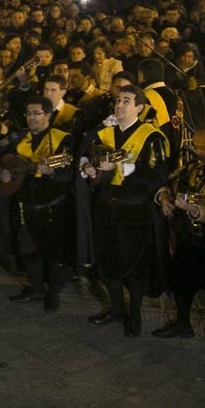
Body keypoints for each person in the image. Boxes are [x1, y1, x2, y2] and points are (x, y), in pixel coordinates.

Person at [81, 84, 168, 337]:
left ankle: (135, 313)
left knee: (134, 264)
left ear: (139, 108)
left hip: (134, 209)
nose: (119, 105)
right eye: (118, 100)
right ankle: (116, 308)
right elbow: (86, 154)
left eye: (126, 101)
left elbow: (157, 175)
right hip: (105, 207)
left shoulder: (150, 136)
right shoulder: (105, 131)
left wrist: (124, 169)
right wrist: (89, 168)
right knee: (108, 261)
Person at [151, 124, 205, 362]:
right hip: (188, 239)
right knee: (181, 282)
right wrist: (165, 197)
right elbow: (170, 181)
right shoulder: (191, 168)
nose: (197, 150)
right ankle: (182, 322)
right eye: (195, 145)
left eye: (204, 147)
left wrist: (197, 210)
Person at [0, 96, 75, 311]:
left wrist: (51, 172)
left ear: (48, 115)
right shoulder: (19, 138)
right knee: (28, 249)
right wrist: (1, 171)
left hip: (52, 204)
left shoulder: (62, 139)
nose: (31, 118)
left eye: (36, 113)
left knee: (53, 250)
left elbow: (69, 171)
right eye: (28, 114)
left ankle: (54, 292)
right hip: (24, 203)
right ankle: (36, 286)